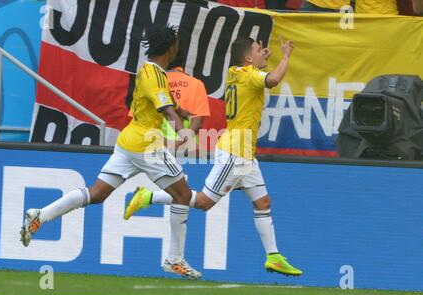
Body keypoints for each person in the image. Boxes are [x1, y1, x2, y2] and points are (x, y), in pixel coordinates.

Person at [20, 26, 202, 280]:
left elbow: (169, 105)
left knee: (97, 194)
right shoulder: (155, 76)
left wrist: (182, 113)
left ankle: (41, 214)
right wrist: (184, 133)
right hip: (146, 145)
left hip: (129, 141)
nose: (178, 47)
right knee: (182, 195)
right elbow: (167, 112)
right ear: (171, 46)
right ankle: (174, 259)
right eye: (177, 43)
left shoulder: (152, 71)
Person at [125, 36, 303, 277]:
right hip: (235, 152)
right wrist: (286, 57)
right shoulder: (250, 75)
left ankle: (274, 257)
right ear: (248, 58)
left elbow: (255, 73)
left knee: (263, 203)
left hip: (246, 155)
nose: (265, 52)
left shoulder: (235, 72)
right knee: (204, 202)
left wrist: (258, 62)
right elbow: (272, 79)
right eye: (259, 50)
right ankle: (149, 196)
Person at [160, 49, 210, 155]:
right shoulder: (197, 84)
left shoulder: (154, 83)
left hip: (157, 149)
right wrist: (181, 143)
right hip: (188, 151)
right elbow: (197, 124)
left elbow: (140, 122)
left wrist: (167, 143)